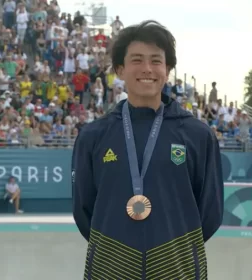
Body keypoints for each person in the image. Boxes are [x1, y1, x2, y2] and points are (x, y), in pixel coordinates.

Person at [72, 20, 224, 279]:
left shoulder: (198, 135)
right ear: (120, 69)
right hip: (111, 269)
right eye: (137, 60)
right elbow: (83, 210)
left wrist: (172, 247)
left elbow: (210, 213)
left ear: (167, 69)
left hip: (177, 269)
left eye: (156, 61)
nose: (147, 69)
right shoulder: (93, 136)